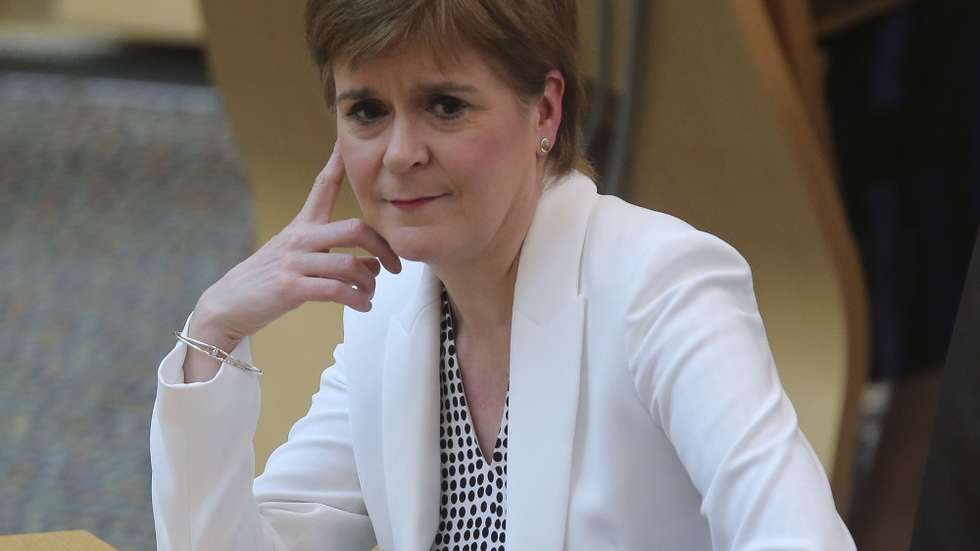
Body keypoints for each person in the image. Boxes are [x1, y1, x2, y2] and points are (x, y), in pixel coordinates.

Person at [150, 1, 856, 549]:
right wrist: (213, 330)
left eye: (445, 106)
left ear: (545, 109)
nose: (400, 153)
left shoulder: (661, 286)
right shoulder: (393, 306)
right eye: (367, 110)